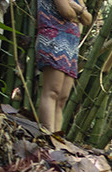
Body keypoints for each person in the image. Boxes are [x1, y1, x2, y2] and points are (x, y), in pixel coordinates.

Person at [36, 0, 92, 132]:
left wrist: (76, 8)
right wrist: (79, 12)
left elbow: (88, 19)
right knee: (52, 91)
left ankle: (56, 139)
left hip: (71, 44)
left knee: (62, 97)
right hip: (53, 37)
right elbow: (67, 13)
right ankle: (48, 136)